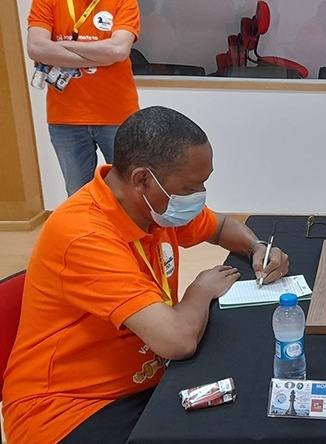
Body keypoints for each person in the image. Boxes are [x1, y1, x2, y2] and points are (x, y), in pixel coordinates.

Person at [2, 106, 290, 443]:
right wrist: (199, 290)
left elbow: (222, 226)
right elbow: (177, 341)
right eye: (190, 187)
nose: (199, 196)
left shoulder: (153, 206)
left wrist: (257, 247)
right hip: (69, 408)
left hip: (143, 378)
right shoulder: (83, 234)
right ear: (142, 179)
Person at [27, 0, 141, 195]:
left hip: (118, 116)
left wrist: (61, 46)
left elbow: (118, 50)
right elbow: (36, 48)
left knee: (130, 192)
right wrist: (102, 57)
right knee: (78, 195)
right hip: (65, 119)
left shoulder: (123, 1)